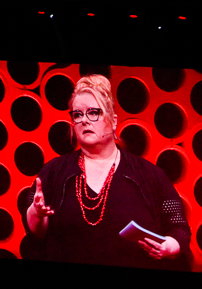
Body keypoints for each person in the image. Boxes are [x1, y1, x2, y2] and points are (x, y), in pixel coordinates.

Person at [21, 74, 191, 269]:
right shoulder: (53, 171)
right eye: (77, 114)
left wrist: (169, 247)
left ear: (114, 121)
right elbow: (36, 235)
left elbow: (179, 228)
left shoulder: (149, 175)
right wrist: (36, 214)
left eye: (93, 113)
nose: (84, 120)